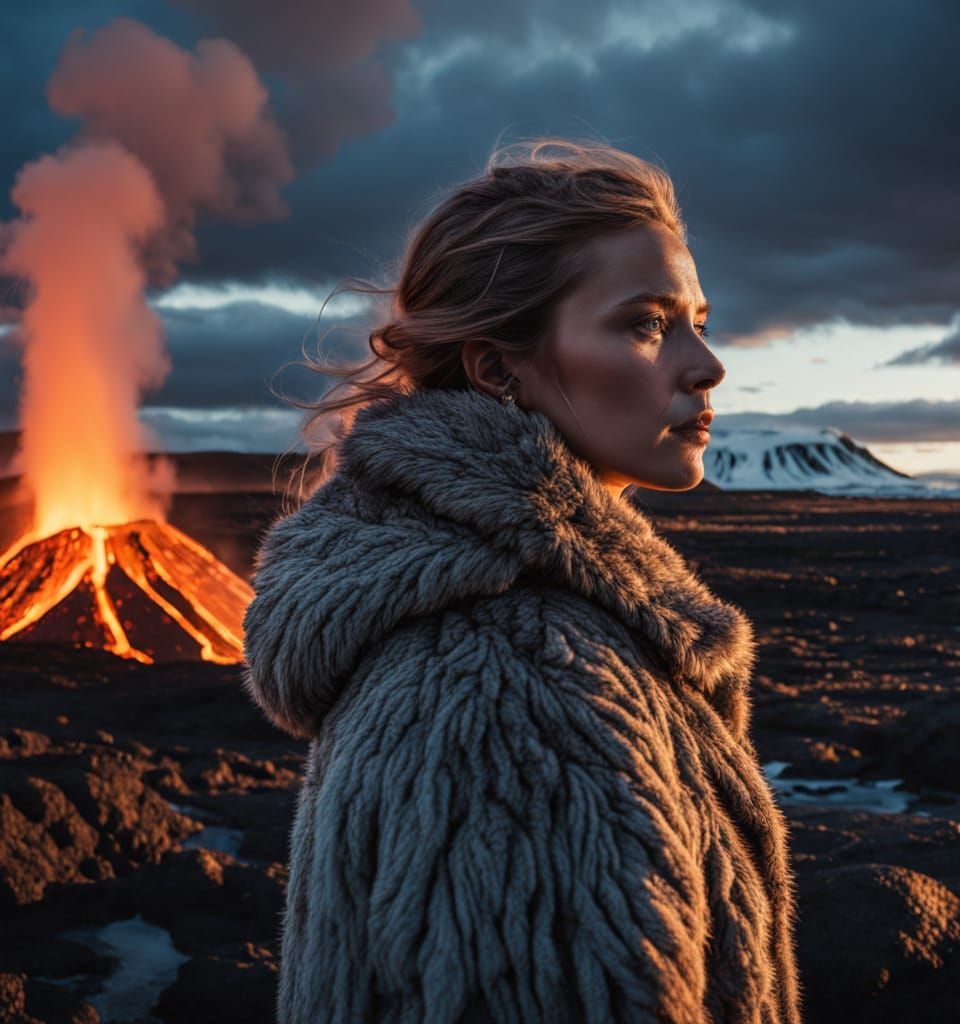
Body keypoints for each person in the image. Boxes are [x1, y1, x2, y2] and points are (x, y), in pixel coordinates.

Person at [242, 137, 804, 1023]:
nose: (705, 364)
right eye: (647, 324)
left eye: (700, 319)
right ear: (499, 367)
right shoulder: (515, 684)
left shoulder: (497, 621)